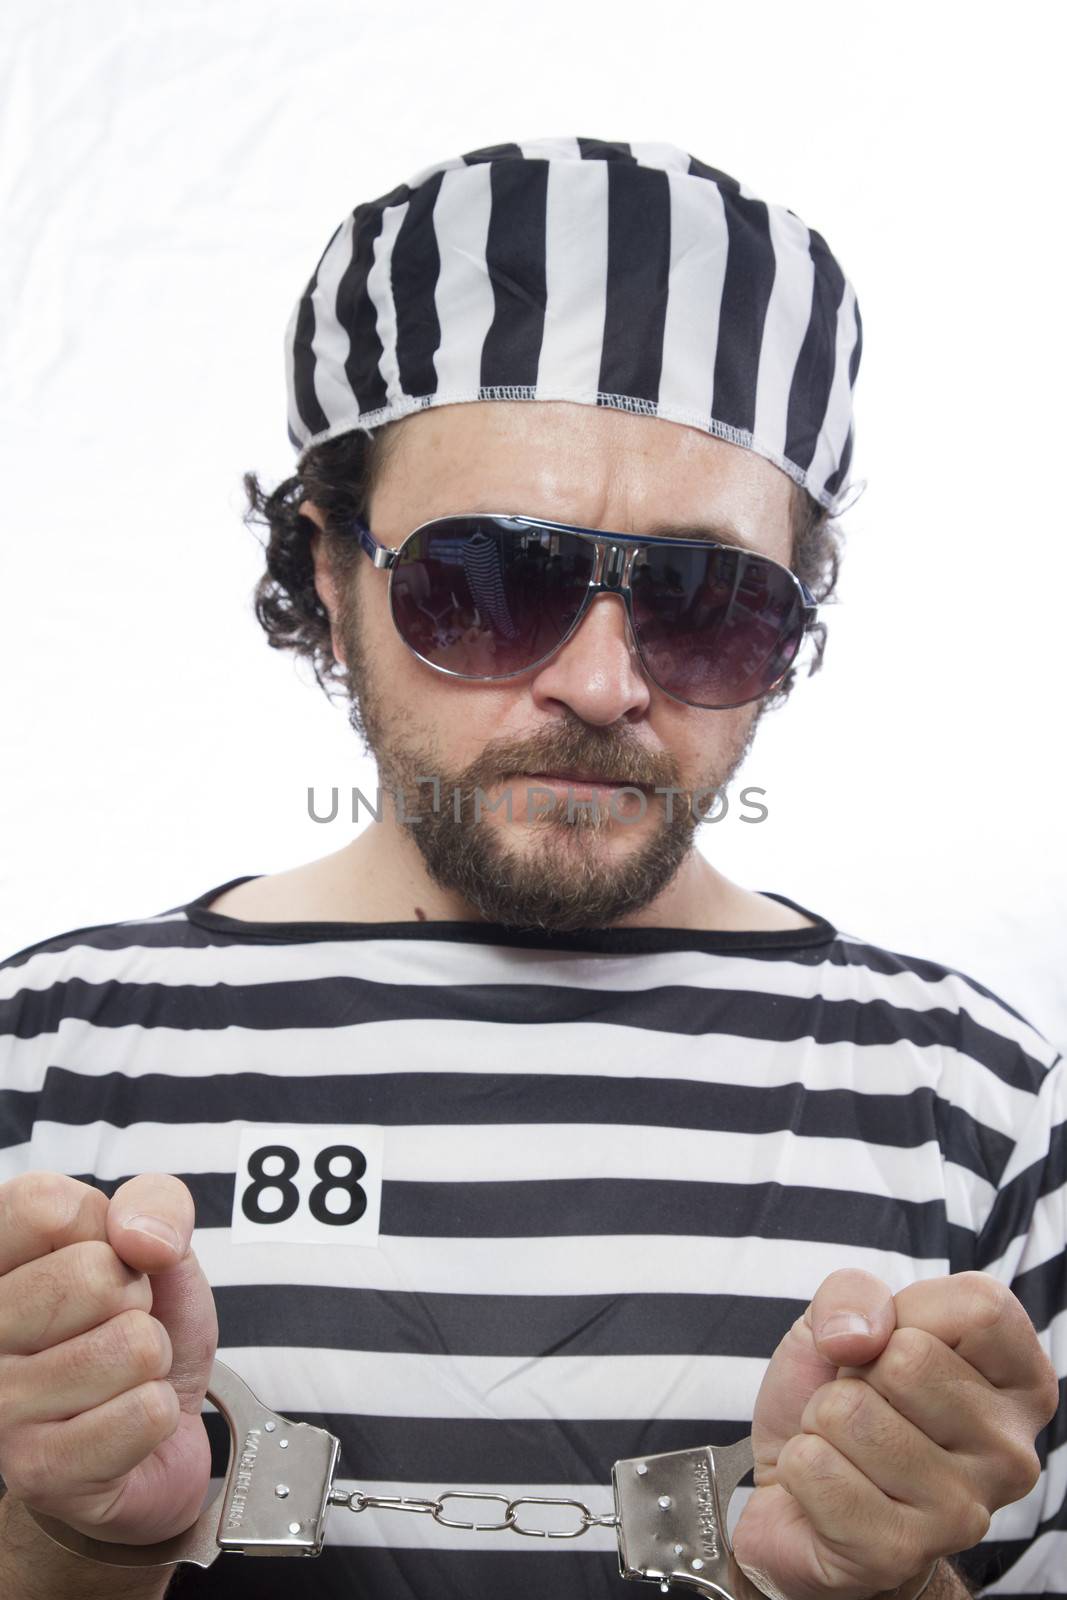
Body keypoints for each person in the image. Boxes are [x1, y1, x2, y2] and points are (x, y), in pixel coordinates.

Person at [0, 137, 1062, 1600]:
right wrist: (62, 1544)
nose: (605, 682)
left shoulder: (981, 1112)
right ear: (328, 566)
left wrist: (884, 1583)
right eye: (492, 581)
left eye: (707, 603)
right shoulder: (47, 1061)